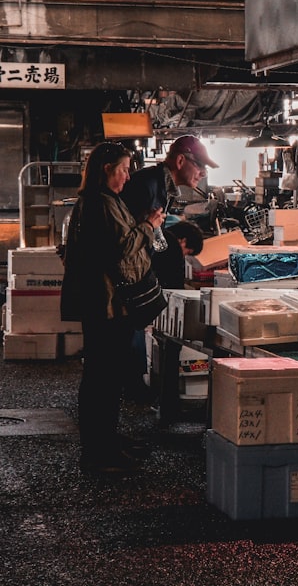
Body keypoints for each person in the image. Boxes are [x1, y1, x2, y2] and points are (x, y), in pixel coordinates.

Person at [60, 142, 166, 475]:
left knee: (107, 378)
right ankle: (98, 453)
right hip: (103, 305)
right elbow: (123, 248)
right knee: (101, 380)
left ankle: (106, 441)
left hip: (107, 304)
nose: (128, 175)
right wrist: (148, 225)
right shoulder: (100, 203)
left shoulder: (104, 201)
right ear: (107, 169)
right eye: (124, 168)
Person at [121, 136, 216, 403]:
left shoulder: (160, 186)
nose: (202, 172)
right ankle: (106, 436)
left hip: (134, 275)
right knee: (119, 347)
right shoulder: (149, 185)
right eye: (199, 165)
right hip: (127, 279)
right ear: (180, 160)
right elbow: (135, 237)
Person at [151, 220, 205, 289]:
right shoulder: (174, 248)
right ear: (183, 241)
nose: (184, 255)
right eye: (188, 252)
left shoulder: (159, 234)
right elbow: (175, 284)